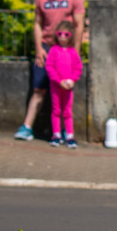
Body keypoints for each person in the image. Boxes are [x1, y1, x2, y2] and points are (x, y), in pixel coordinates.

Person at [14, 0, 86, 141]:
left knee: (65, 93)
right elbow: (37, 24)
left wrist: (75, 53)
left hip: (65, 49)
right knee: (39, 89)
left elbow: (78, 25)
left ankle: (64, 132)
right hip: (46, 47)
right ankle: (27, 127)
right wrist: (39, 48)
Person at [45, 20, 83, 148]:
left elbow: (78, 68)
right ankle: (56, 135)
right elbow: (49, 67)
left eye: (66, 34)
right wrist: (58, 81)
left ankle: (69, 136)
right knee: (56, 110)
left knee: (67, 111)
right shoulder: (53, 51)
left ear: (70, 35)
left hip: (68, 86)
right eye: (59, 33)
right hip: (56, 86)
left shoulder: (73, 52)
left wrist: (72, 80)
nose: (62, 36)